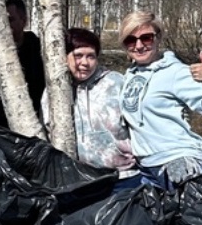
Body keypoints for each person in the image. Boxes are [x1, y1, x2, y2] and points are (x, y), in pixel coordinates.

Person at [118, 11, 202, 190]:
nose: (138, 46)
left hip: (178, 163)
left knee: (200, 217)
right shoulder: (130, 75)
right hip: (147, 168)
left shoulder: (176, 72)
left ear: (158, 38)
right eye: (130, 40)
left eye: (146, 38)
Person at [42, 28, 139, 191]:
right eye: (78, 56)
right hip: (78, 181)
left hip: (123, 178)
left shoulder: (116, 83)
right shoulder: (55, 92)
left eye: (91, 56)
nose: (85, 63)